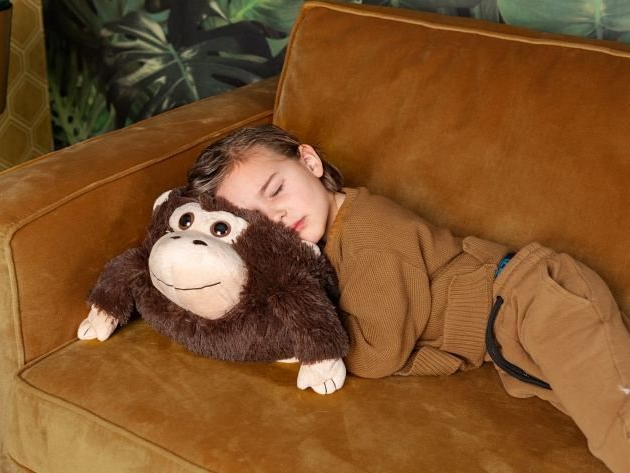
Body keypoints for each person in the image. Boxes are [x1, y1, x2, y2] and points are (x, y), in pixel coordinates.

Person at [185, 124, 630, 473]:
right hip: (505, 340)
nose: (277, 215)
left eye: (276, 189)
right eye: (258, 219)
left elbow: (380, 351)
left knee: (617, 425)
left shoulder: (369, 232)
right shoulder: (320, 251)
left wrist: (300, 341)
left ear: (309, 161)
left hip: (534, 297)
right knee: (599, 417)